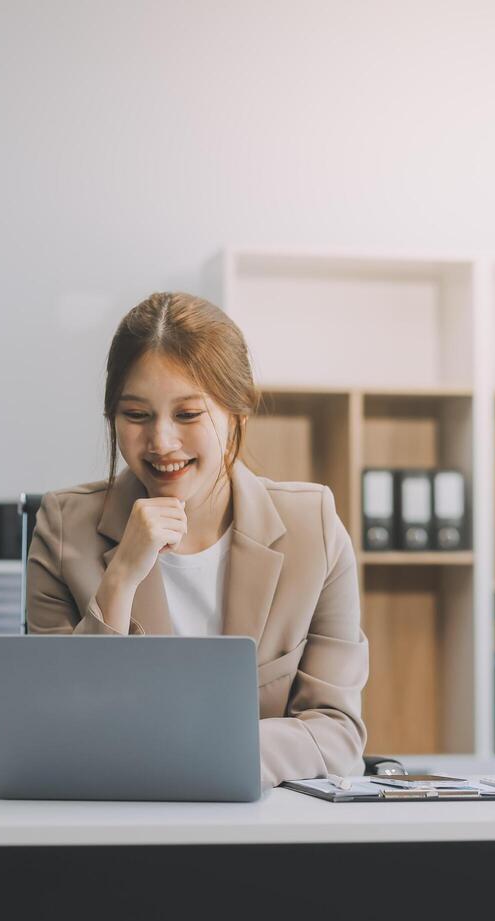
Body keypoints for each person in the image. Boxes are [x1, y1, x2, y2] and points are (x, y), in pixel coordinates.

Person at [27, 291, 369, 787]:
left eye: (188, 415)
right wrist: (120, 576)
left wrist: (202, 756)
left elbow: (338, 733)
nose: (162, 442)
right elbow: (52, 725)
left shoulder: (311, 525)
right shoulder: (63, 527)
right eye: (136, 415)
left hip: (261, 828)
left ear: (237, 414)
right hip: (113, 826)